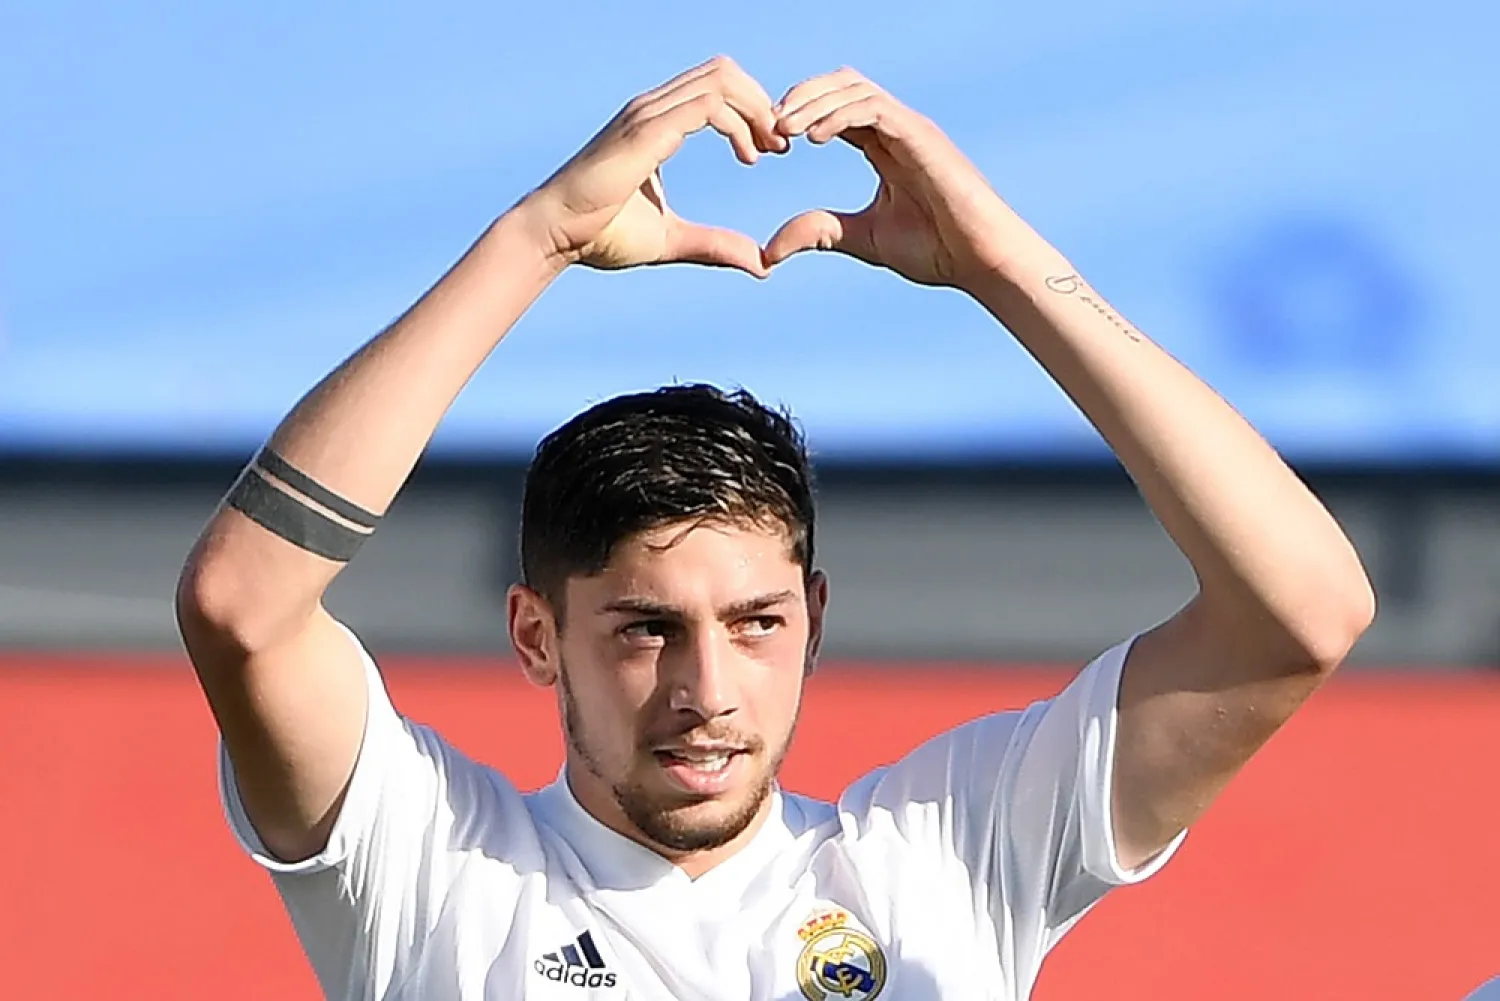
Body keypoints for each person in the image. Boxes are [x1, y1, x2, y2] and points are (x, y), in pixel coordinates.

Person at [176, 56, 1376, 1001]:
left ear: (816, 618)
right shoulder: (429, 864)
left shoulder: (945, 853)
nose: (709, 687)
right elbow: (241, 605)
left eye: (755, 621)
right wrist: (534, 236)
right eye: (646, 628)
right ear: (535, 634)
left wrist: (1002, 261)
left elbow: (1302, 611)